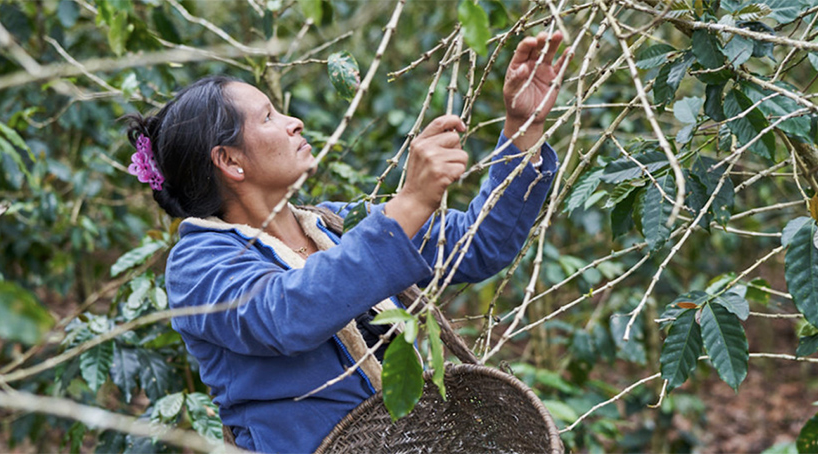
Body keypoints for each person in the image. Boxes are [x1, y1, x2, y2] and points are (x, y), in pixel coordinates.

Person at [125, 32, 568, 453]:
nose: (293, 123)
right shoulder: (197, 265)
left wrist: (522, 126)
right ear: (230, 162)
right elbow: (288, 313)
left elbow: (479, 243)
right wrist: (409, 202)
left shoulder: (334, 224)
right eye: (268, 117)